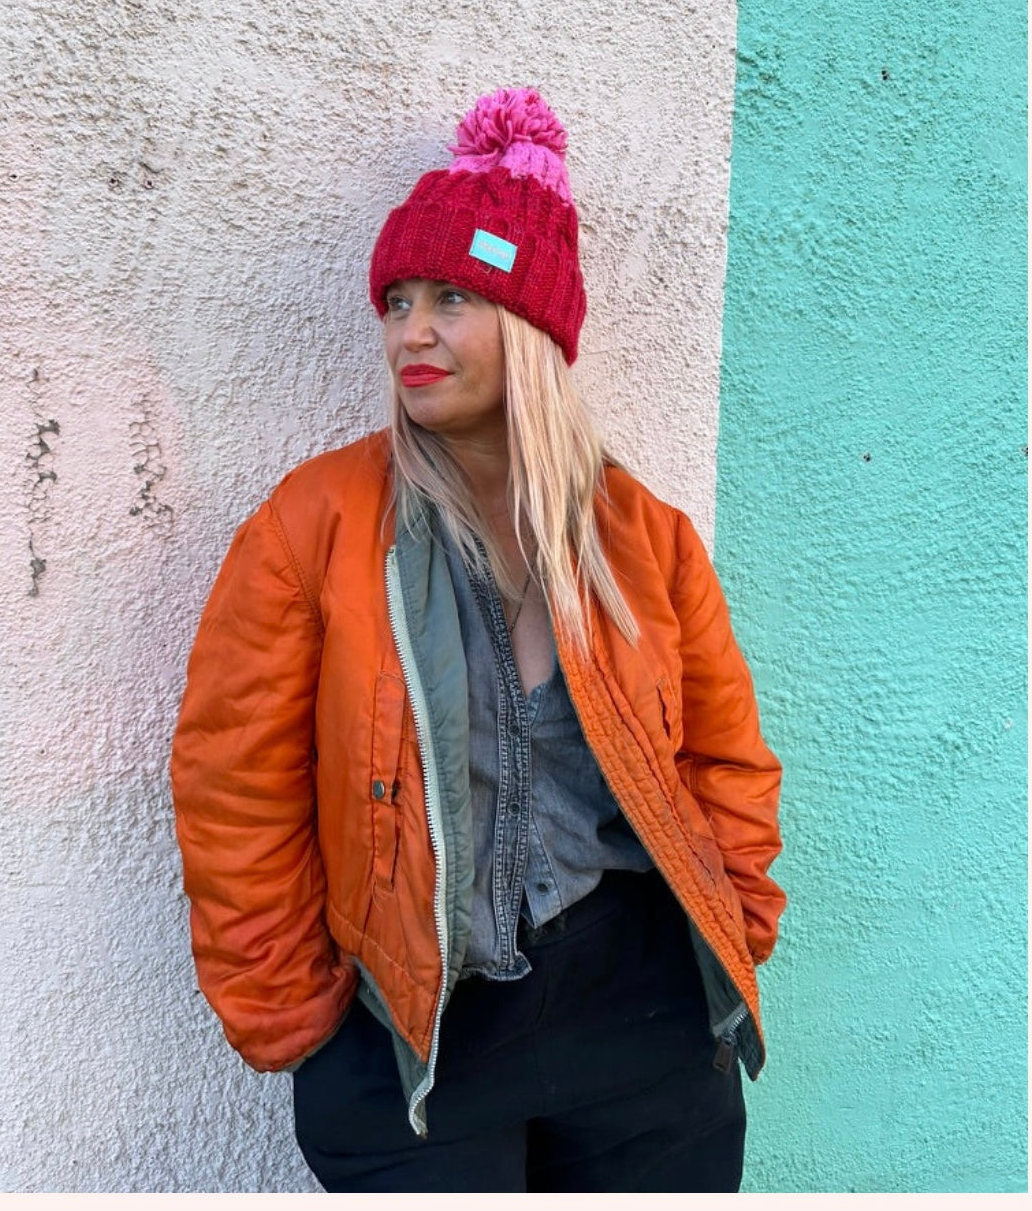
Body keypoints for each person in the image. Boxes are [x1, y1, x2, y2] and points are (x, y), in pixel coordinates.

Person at [171, 86, 785, 1193]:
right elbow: (233, 790)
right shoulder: (310, 528)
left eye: (451, 296)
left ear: (535, 327)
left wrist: (733, 925)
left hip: (642, 1034)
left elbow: (725, 764)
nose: (410, 329)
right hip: (414, 1045)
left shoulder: (641, 540)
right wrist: (297, 1020)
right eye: (397, 299)